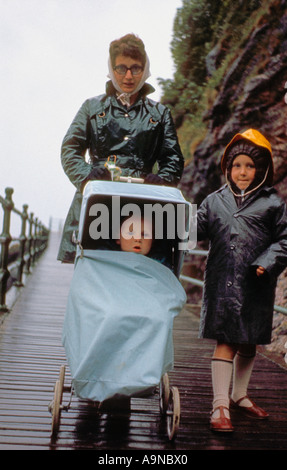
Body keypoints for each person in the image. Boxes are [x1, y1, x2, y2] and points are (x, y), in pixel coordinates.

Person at [57, 33, 184, 263]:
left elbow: (173, 158)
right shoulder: (92, 107)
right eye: (121, 68)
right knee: (94, 265)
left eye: (135, 69)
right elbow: (70, 149)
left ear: (145, 70)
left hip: (144, 203)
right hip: (99, 200)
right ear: (111, 68)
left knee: (148, 267)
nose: (128, 76)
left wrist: (163, 179)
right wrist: (87, 175)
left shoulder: (159, 113)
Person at [197, 129, 287, 432]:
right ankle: (220, 404)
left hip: (256, 284)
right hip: (222, 283)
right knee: (225, 341)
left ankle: (239, 394)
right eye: (237, 166)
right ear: (227, 168)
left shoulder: (273, 203)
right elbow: (194, 228)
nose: (243, 172)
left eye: (250, 166)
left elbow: (285, 239)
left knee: (248, 341)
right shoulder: (213, 201)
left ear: (262, 169)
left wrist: (267, 262)